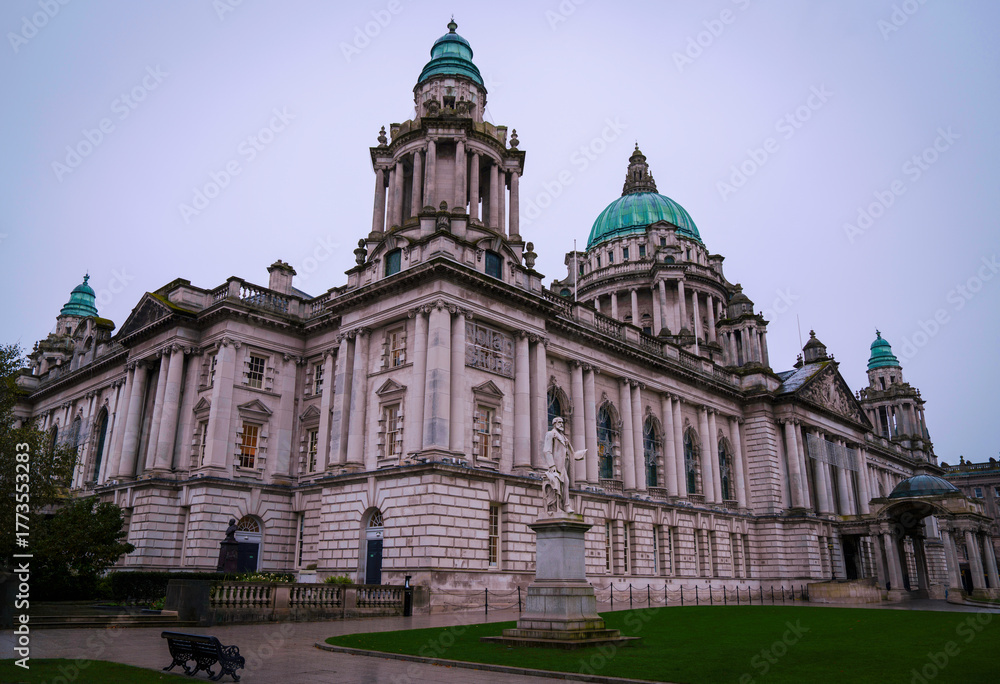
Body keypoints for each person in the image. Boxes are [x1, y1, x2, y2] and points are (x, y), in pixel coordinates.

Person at [542, 417, 585, 513]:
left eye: (562, 422)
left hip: (564, 465)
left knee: (566, 482)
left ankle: (565, 506)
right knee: (564, 482)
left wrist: (578, 455)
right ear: (554, 423)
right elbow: (546, 450)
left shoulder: (564, 438)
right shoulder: (550, 434)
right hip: (556, 465)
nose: (561, 424)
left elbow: (569, 453)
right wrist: (552, 465)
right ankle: (564, 506)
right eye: (559, 422)